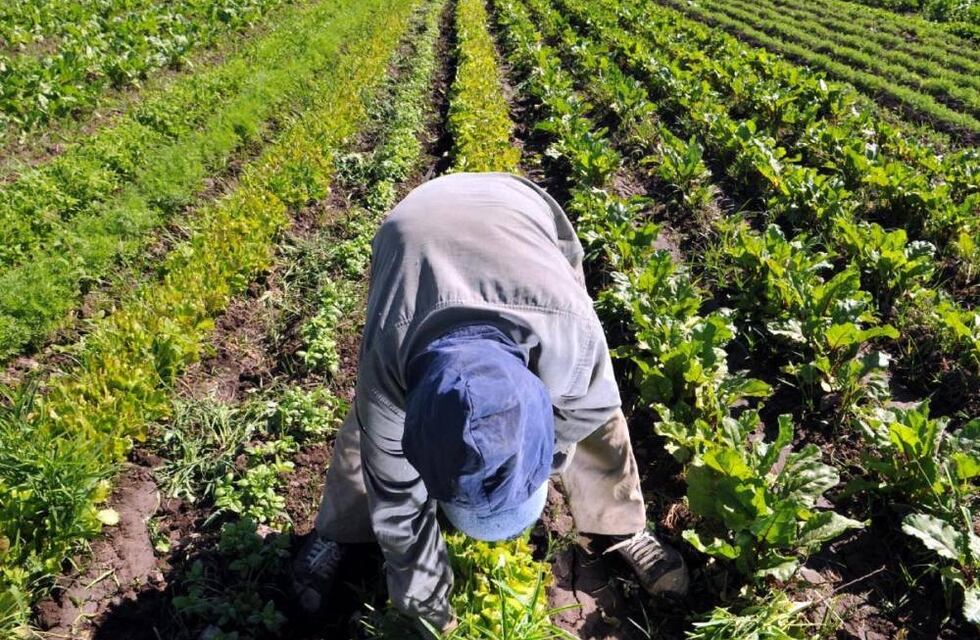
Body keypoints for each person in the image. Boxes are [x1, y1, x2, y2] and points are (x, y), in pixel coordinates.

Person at [292, 172, 688, 632]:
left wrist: (548, 452)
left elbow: (590, 409)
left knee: (597, 417)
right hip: (414, 228)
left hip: (521, 215)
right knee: (365, 436)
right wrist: (429, 610)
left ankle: (623, 524)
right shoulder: (388, 379)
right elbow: (399, 504)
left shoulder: (571, 334)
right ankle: (339, 530)